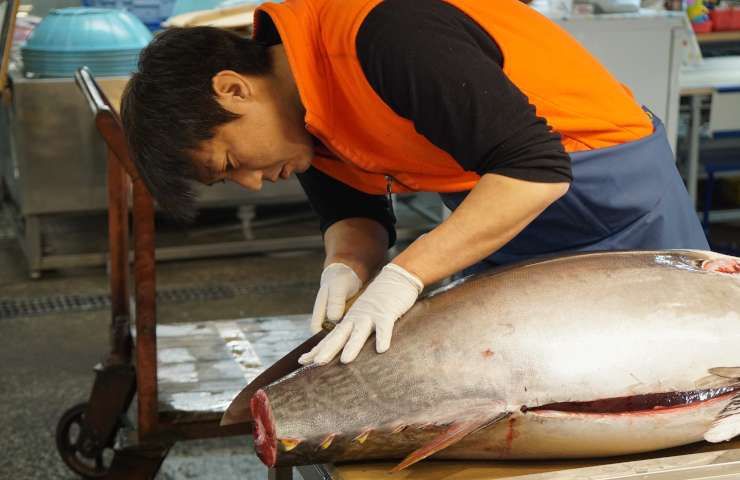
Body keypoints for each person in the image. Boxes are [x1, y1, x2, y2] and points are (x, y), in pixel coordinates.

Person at [121, 0, 708, 368]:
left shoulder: (384, 33)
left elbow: (535, 169)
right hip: (496, 205)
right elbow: (354, 211)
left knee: (668, 366)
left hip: (608, 190)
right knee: (547, 375)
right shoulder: (303, 115)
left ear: (232, 88)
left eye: (229, 162)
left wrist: (404, 277)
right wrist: (347, 269)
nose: (250, 183)